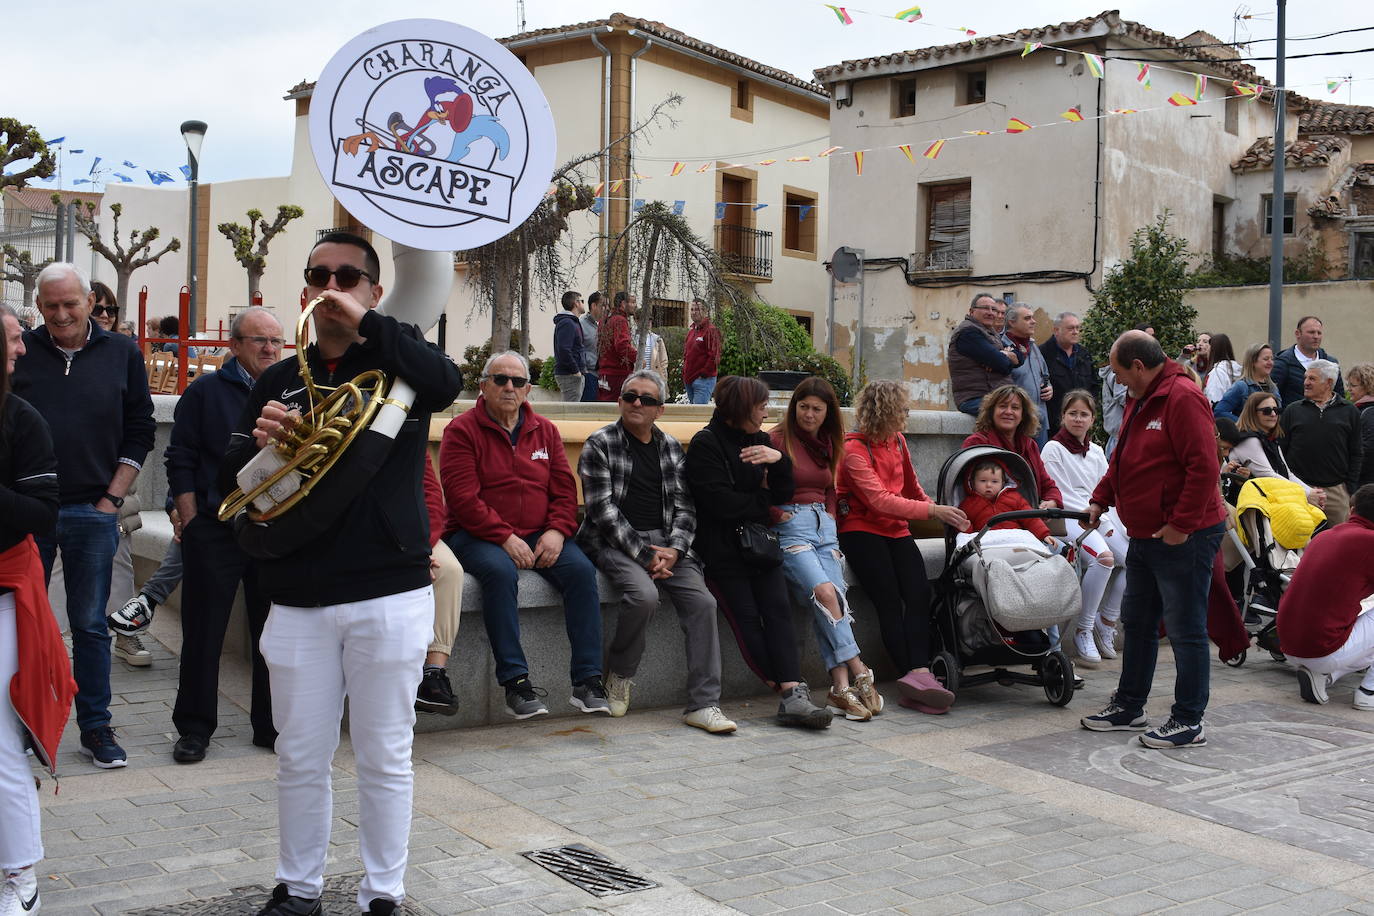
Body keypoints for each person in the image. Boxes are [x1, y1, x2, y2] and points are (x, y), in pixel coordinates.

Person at [219, 230, 461, 915]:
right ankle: (298, 888)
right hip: (296, 596)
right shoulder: (277, 377)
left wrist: (368, 325)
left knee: (385, 757)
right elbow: (227, 484)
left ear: (373, 291)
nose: (330, 285)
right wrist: (265, 449)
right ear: (302, 287)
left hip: (389, 591)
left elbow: (448, 383)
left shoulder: (401, 363)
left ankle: (383, 893)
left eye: (346, 276)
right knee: (299, 756)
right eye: (318, 274)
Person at [13, 262, 155, 769]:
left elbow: (140, 427)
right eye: (50, 306)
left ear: (91, 302)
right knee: (27, 625)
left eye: (69, 304)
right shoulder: (22, 352)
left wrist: (111, 500)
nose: (60, 314)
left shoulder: (121, 353)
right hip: (31, 514)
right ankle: (28, 727)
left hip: (94, 510)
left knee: (91, 626)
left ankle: (95, 727)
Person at [440, 351, 608, 719]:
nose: (509, 388)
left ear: (528, 389)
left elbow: (565, 491)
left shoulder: (544, 430)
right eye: (500, 380)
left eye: (517, 382)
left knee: (582, 573)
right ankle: (516, 684)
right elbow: (462, 498)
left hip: (539, 533)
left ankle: (587, 681)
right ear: (483, 386)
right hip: (476, 535)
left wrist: (557, 532)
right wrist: (504, 537)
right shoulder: (461, 431)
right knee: (500, 574)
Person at [1080, 331, 1226, 749]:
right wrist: (1100, 500)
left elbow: (1204, 468)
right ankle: (1129, 706)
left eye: (1122, 373)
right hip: (1146, 532)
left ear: (1140, 367)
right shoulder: (1142, 397)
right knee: (1139, 622)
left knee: (1185, 628)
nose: (1119, 381)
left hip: (1184, 535)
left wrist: (1181, 525)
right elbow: (1122, 456)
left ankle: (1189, 720)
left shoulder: (1181, 397)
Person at [577, 369, 736, 733]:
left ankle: (703, 703)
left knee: (704, 603)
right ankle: (619, 675)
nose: (636, 403)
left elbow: (686, 507)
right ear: (619, 402)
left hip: (667, 544)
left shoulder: (670, 448)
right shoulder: (599, 443)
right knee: (644, 595)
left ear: (659, 410)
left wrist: (676, 550)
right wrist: (646, 555)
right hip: (615, 541)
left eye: (646, 399)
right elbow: (602, 512)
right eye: (630, 396)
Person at [163, 307, 284, 764]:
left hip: (271, 529)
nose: (270, 349)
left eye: (275, 341)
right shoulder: (204, 392)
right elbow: (180, 457)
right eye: (259, 341)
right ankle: (194, 729)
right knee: (202, 632)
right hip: (215, 528)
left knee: (272, 634)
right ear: (234, 346)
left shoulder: (294, 390)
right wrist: (192, 518)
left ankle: (270, 726)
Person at [686, 375, 832, 728]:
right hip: (721, 549)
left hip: (759, 546)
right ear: (741, 408)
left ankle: (792, 692)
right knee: (747, 617)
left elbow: (782, 493)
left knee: (778, 610)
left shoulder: (761, 440)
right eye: (761, 405)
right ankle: (787, 690)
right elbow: (719, 504)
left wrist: (779, 460)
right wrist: (761, 500)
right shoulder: (707, 444)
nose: (768, 411)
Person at [0, 302, 73, 916]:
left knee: (0, 744)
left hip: (3, 600)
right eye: (12, 340)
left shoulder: (21, 421)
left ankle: (20, 872)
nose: (21, 349)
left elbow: (37, 514)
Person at [837, 380, 969, 714]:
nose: (906, 415)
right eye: (902, 410)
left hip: (895, 530)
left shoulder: (897, 441)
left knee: (918, 594)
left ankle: (919, 673)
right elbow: (879, 501)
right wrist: (933, 511)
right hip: (861, 529)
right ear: (884, 411)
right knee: (889, 603)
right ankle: (911, 675)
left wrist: (941, 514)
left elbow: (912, 489)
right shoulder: (853, 449)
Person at [770, 377, 883, 722]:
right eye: (803, 406)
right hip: (792, 529)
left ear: (827, 412)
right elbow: (759, 486)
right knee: (824, 594)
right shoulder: (777, 439)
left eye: (816, 409)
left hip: (824, 528)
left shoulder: (829, 442)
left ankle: (839, 687)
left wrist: (831, 516)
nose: (808, 414)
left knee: (833, 598)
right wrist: (776, 513)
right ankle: (859, 667)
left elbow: (830, 487)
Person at [1041, 389, 1127, 667]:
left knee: (1139, 557)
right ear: (1063, 416)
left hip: (1100, 515)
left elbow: (1105, 488)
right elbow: (1063, 493)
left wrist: (1110, 520)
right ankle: (1084, 629)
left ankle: (1107, 620)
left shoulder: (1097, 451)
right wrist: (1098, 519)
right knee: (1104, 559)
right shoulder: (1053, 449)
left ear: (1093, 419)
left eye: (1084, 414)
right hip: (1070, 518)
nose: (1078, 419)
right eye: (1072, 413)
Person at [1280, 484, 1374, 711]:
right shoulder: (1369, 541)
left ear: (1352, 510)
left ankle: (1325, 677)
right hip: (1320, 648)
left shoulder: (1325, 535)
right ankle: (1368, 693)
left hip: (1287, 644)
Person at [1280, 359, 1363, 526]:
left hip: (1337, 493)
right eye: (1305, 378)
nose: (1306, 383)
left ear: (1329, 383)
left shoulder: (1349, 411)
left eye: (1312, 379)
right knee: (1298, 541)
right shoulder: (1292, 410)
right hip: (1299, 489)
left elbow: (1356, 452)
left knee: (1339, 544)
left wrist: (1349, 488)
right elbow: (1281, 450)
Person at [415, 456, 464, 716]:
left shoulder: (405, 426)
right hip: (370, 538)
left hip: (415, 534)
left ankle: (433, 673)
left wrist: (422, 546)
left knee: (450, 570)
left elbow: (432, 497)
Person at [961, 385, 1063, 509]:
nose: (1008, 411)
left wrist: (1052, 501)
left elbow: (1047, 484)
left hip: (1029, 516)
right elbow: (965, 488)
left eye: (1015, 408)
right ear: (991, 411)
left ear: (1023, 415)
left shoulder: (1030, 445)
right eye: (1003, 406)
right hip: (990, 518)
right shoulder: (976, 443)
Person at [1227, 392, 1325, 507]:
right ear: (1253, 413)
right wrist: (1307, 494)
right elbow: (1267, 475)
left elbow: (1287, 474)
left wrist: (1312, 492)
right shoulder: (1248, 439)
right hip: (1249, 506)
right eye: (1267, 411)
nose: (1273, 414)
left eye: (1276, 410)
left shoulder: (1270, 438)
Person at [958, 458, 1057, 549]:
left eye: (994, 481)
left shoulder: (1015, 498)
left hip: (1016, 541)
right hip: (987, 545)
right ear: (972, 482)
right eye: (983, 481)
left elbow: (1030, 519)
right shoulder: (968, 505)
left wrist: (1044, 534)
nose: (988, 485)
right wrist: (966, 528)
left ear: (1003, 483)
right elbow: (967, 536)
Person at [948, 293, 1019, 416]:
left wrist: (1004, 355)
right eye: (985, 308)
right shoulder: (968, 333)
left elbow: (1019, 357)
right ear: (971, 311)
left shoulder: (991, 333)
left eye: (994, 309)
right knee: (1014, 414)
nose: (991, 313)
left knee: (1030, 413)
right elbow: (1002, 365)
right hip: (975, 398)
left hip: (996, 396)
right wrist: (1005, 357)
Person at [1002, 303, 1052, 447]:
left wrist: (1049, 388)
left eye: (1033, 318)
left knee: (1038, 466)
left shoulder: (1034, 346)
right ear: (1012, 322)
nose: (1034, 321)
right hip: (1018, 422)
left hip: (1039, 421)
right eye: (1027, 318)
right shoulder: (1001, 346)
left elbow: (1045, 375)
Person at [1040, 311, 1095, 435]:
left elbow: (1093, 384)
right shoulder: (1043, 354)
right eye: (1071, 328)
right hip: (1053, 425)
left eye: (1077, 328)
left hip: (1081, 423)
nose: (1075, 331)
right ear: (1056, 330)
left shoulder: (1084, 354)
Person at [1272, 316, 1344, 407]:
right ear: (1298, 334)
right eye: (1311, 332)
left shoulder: (1330, 363)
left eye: (1319, 333)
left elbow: (1340, 397)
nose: (1316, 337)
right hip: (1294, 419)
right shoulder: (1282, 363)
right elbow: (1273, 397)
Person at [1213, 342, 1280, 422]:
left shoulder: (1273, 388)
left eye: (1272, 359)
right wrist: (1244, 425)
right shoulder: (1241, 386)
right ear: (1253, 362)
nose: (1270, 362)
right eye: (1266, 359)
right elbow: (1219, 412)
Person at [596, 291, 638, 402]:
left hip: (604, 373)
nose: (635, 306)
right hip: (617, 374)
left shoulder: (604, 320)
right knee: (617, 408)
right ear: (623, 304)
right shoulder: (620, 320)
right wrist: (638, 357)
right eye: (633, 302)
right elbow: (622, 346)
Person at [684, 297, 721, 405]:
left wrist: (703, 374)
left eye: (697, 309)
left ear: (705, 312)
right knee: (692, 415)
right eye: (692, 309)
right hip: (689, 380)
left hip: (703, 381)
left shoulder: (711, 330)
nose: (694, 312)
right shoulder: (691, 331)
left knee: (698, 414)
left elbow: (714, 356)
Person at [552, 290, 585, 402]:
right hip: (569, 374)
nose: (583, 304)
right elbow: (564, 349)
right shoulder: (567, 323)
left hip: (572, 373)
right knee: (571, 411)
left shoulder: (572, 322)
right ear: (576, 303)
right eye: (582, 301)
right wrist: (575, 370)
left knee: (572, 409)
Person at [1349, 363, 1374, 489]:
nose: (1349, 389)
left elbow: (1367, 450)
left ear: (1367, 387)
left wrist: (1352, 476)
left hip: (1365, 482)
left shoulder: (1368, 412)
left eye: (1353, 386)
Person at [1202, 333, 1240, 404]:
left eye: (1208, 348)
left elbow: (1214, 401)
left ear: (1213, 350)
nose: (1207, 351)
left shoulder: (1217, 373)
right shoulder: (1237, 370)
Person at [579, 291, 603, 402]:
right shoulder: (581, 324)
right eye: (603, 305)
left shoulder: (604, 324)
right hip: (588, 375)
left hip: (603, 376)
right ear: (594, 306)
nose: (606, 309)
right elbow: (577, 349)